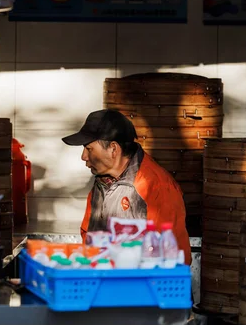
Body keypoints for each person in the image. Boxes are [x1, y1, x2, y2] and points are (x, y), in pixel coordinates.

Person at [62, 109, 191, 264]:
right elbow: (88, 237)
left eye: (89, 149)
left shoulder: (156, 186)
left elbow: (174, 257)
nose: (83, 156)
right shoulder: (102, 182)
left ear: (113, 149)